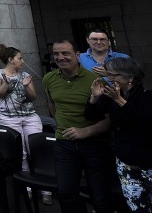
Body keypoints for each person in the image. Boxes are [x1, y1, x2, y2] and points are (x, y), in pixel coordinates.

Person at [86, 57, 152, 212]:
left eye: (114, 75)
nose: (110, 79)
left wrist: (119, 101)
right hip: (127, 164)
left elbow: (149, 123)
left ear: (130, 77)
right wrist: (94, 97)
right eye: (108, 75)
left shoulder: (150, 96)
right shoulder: (111, 96)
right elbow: (90, 116)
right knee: (137, 208)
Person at [42, 39, 115, 213]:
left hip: (94, 144)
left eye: (65, 53)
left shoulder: (96, 81)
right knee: (66, 192)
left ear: (77, 55)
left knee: (100, 197)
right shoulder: (49, 79)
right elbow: (52, 105)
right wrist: (62, 125)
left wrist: (86, 131)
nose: (60, 57)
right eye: (56, 54)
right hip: (64, 143)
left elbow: (110, 118)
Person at [0, 43, 50, 204]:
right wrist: (6, 84)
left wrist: (26, 87)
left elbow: (33, 97)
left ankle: (46, 188)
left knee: (36, 149)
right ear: (11, 59)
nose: (22, 61)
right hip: (9, 117)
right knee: (21, 152)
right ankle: (28, 187)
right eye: (19, 58)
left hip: (29, 116)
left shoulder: (25, 76)